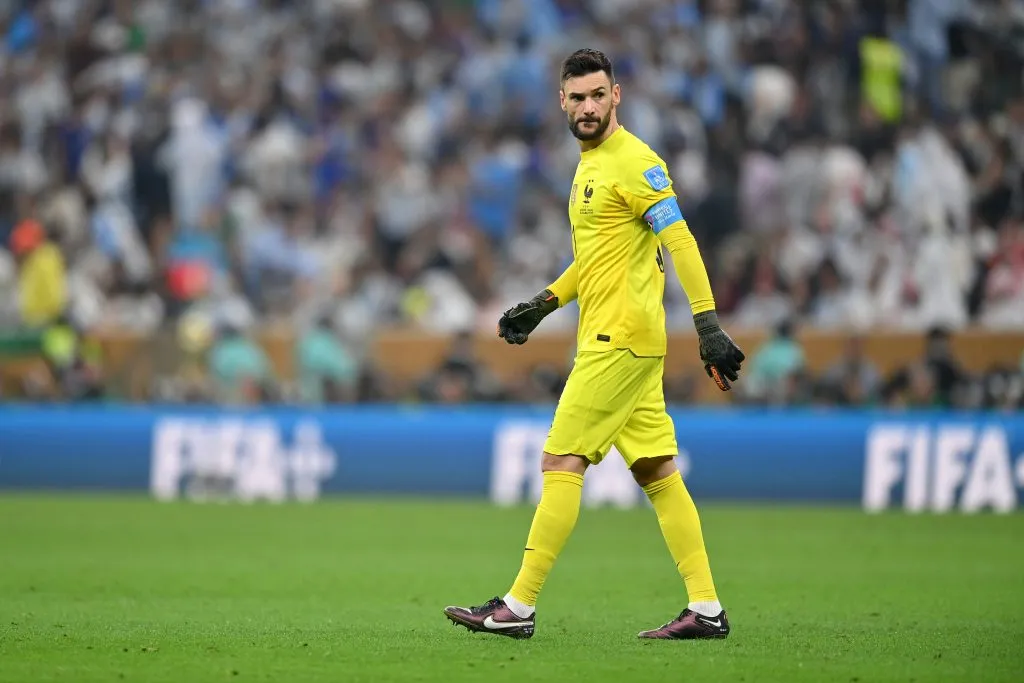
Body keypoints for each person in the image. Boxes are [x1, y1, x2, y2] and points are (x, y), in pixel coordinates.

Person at [443, 49, 745, 641]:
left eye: (597, 95)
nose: (587, 106)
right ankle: (706, 608)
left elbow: (680, 240)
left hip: (618, 343)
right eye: (577, 97)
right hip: (628, 343)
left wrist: (707, 324)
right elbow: (595, 259)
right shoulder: (590, 166)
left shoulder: (635, 161)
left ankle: (518, 607)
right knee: (659, 472)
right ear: (562, 101)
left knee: (561, 461)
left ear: (616, 96)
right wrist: (544, 303)